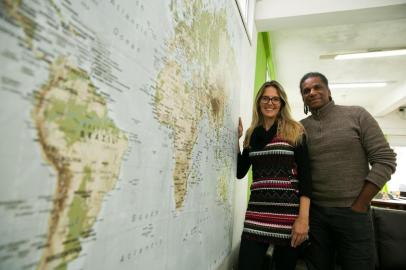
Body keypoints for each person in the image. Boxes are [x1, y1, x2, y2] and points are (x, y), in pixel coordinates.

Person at [299, 72, 397, 270]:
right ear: (303, 97)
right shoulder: (300, 128)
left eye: (318, 87)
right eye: (306, 90)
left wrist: (360, 204)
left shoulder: (357, 115)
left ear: (329, 91)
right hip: (316, 217)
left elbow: (385, 160)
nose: (312, 92)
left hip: (353, 214)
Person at [237, 80, 312, 270]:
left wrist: (303, 219)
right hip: (256, 215)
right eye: (265, 98)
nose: (270, 103)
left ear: (282, 103)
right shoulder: (251, 134)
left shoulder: (295, 130)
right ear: (259, 102)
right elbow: (240, 172)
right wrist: (236, 140)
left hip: (288, 218)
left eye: (275, 99)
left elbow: (306, 177)